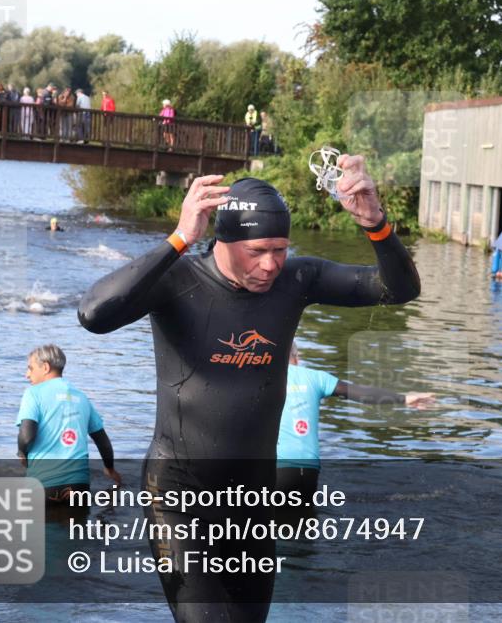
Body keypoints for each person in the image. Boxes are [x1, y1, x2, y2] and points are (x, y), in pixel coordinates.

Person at [78, 156, 420, 622]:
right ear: (223, 239)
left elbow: (396, 289)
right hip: (180, 494)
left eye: (280, 248)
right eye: (258, 250)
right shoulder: (178, 279)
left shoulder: (298, 280)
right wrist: (179, 238)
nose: (271, 264)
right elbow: (94, 315)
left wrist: (376, 225)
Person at [276, 341, 435, 499]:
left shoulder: (263, 380)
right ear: (297, 357)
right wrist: (404, 398)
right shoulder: (317, 378)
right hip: (308, 468)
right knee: (303, 519)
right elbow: (362, 393)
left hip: (273, 468)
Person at [16, 345, 122, 504]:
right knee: (75, 527)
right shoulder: (82, 397)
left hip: (43, 484)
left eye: (30, 368)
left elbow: (26, 436)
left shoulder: (33, 393)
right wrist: (109, 468)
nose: (27, 375)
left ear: (45, 367)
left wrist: (22, 454)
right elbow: (102, 441)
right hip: (79, 485)